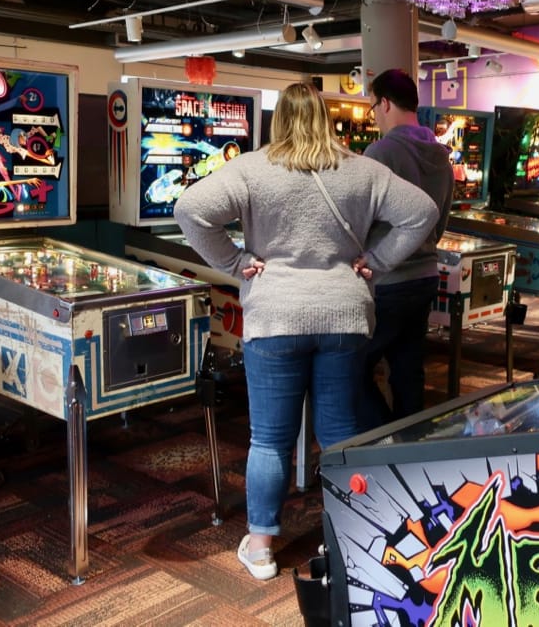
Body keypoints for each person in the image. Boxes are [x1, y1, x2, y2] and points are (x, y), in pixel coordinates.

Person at [173, 82, 439, 581]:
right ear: (325, 118)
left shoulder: (252, 168)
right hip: (344, 315)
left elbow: (189, 210)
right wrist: (377, 262)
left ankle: (261, 547)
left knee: (270, 439)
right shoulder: (361, 169)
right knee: (339, 432)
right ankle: (347, 536)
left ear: (280, 120)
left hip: (275, 316)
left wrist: (234, 262)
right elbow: (421, 213)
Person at [358, 69, 455, 431]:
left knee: (350, 372)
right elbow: (439, 221)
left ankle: (384, 439)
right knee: (407, 369)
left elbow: (362, 221)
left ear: (384, 103)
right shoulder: (441, 155)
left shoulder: (380, 153)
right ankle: (410, 447)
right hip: (426, 275)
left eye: (373, 108)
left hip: (388, 279)